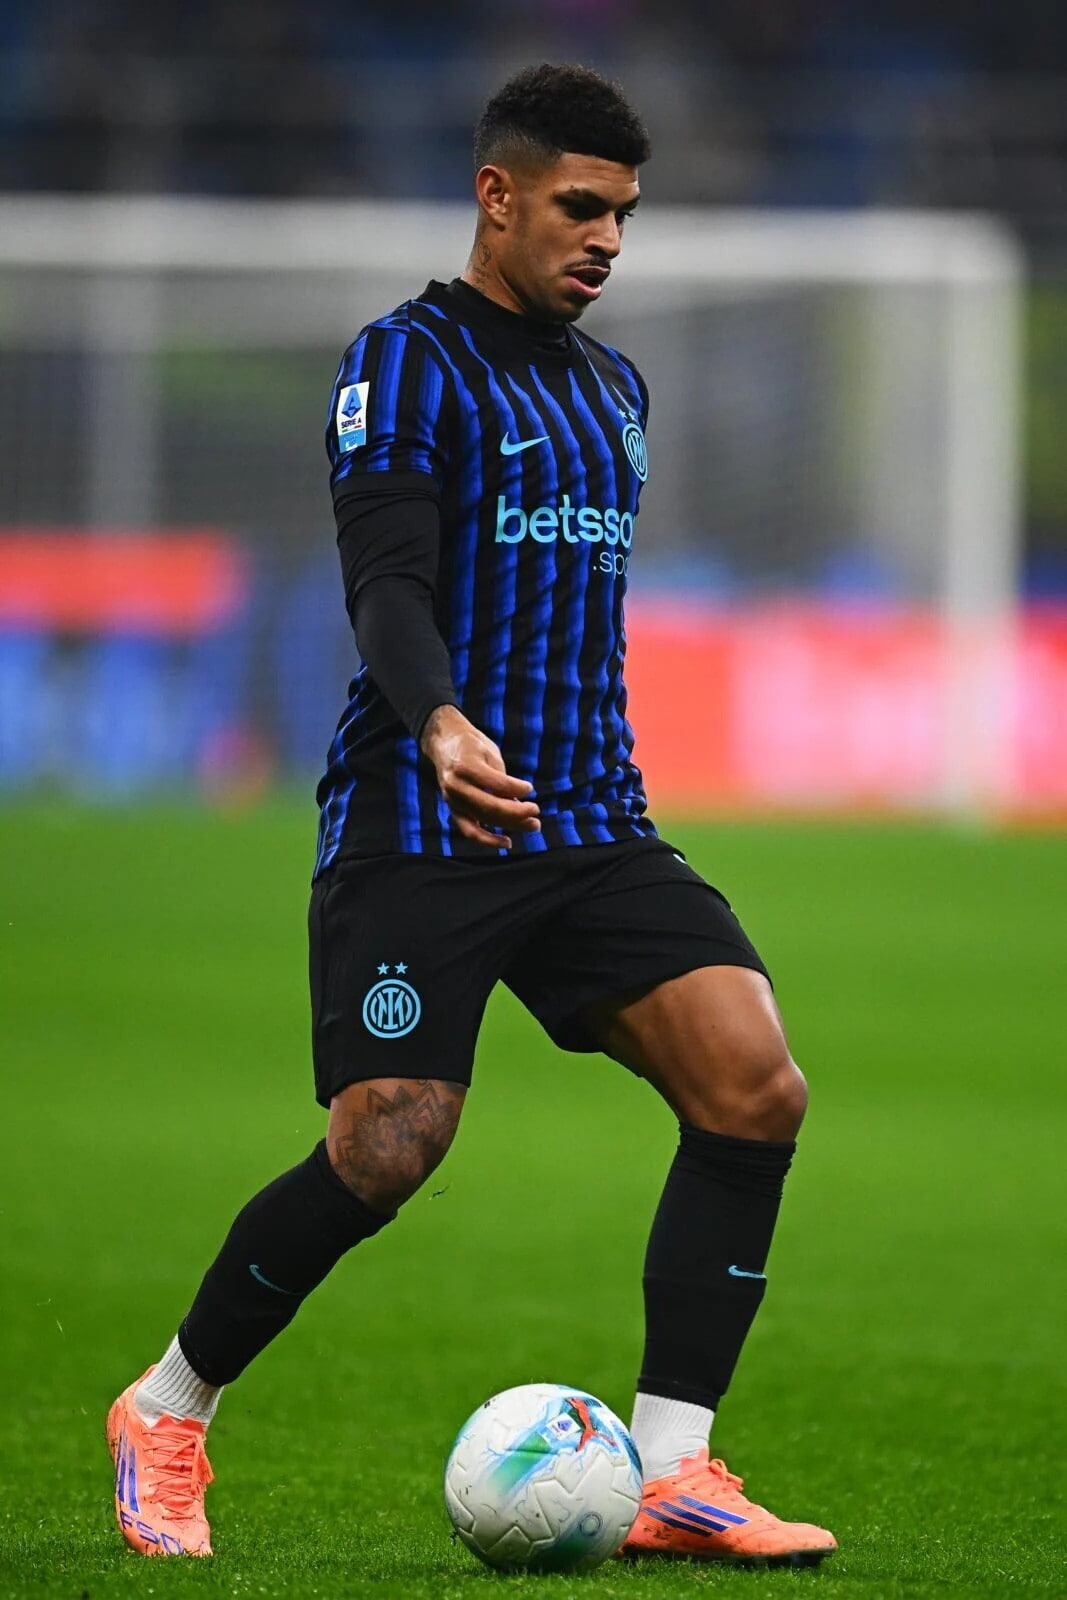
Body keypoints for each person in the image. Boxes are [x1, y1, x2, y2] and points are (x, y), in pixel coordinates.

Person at [107, 62, 836, 1568]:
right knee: (388, 1146)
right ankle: (166, 1410)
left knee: (755, 1084)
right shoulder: (406, 363)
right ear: (497, 195)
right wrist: (439, 716)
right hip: (421, 821)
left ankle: (674, 1473)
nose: (607, 238)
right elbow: (386, 582)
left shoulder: (615, 390)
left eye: (623, 214)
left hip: (589, 821)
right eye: (580, 206)